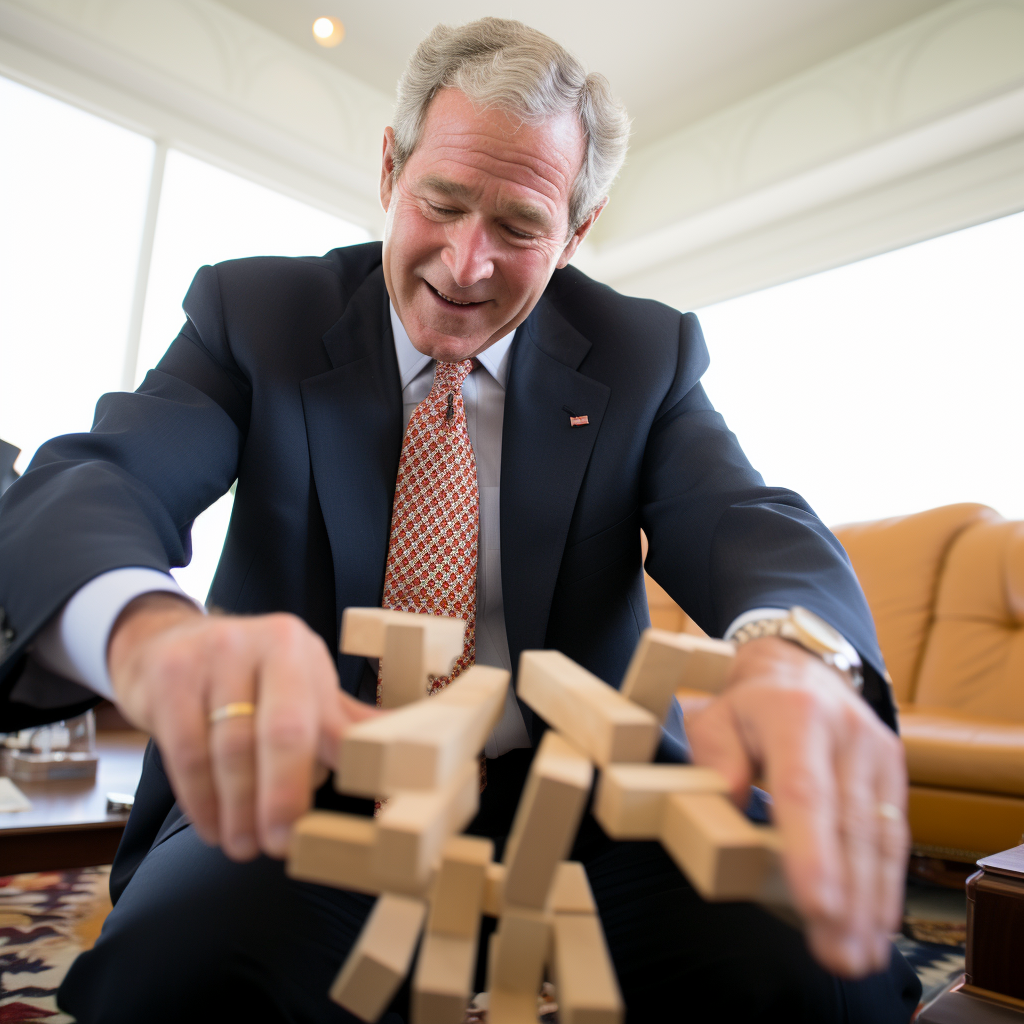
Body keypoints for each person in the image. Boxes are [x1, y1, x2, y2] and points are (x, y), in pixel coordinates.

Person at [0, 18, 920, 1023]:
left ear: (577, 228)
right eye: (440, 202)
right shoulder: (256, 313)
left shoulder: (641, 353)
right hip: (315, 775)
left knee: (820, 977)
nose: (466, 262)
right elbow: (103, 478)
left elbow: (739, 512)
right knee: (176, 985)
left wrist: (795, 648)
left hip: (589, 789)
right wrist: (147, 634)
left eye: (521, 226)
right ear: (391, 167)